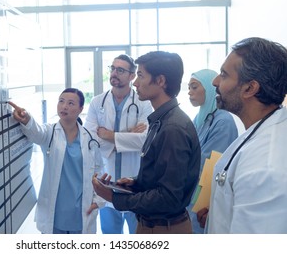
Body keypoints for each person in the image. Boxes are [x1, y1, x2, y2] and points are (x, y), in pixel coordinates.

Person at [92, 51, 201, 234]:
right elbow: (164, 178)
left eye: (140, 76)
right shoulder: (160, 121)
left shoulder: (173, 128)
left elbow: (168, 197)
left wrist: (113, 197)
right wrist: (137, 183)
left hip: (165, 229)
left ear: (160, 81)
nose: (135, 83)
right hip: (152, 224)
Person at [204, 37, 287, 233]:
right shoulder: (263, 128)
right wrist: (220, 213)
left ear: (250, 88)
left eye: (224, 75)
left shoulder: (265, 168)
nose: (215, 81)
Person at [8, 88, 105, 234]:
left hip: (81, 209)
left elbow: (99, 171)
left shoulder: (90, 139)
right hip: (55, 211)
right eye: (61, 101)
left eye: (71, 103)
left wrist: (97, 201)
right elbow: (36, 133)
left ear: (80, 109)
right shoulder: (50, 133)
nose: (64, 106)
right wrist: (26, 118)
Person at [84, 54, 153, 234]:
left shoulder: (144, 102)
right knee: (110, 234)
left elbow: (145, 140)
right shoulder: (97, 102)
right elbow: (89, 139)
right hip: (107, 179)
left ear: (132, 76)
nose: (114, 73)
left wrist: (109, 135)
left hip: (134, 181)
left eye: (120, 70)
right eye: (113, 68)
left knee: (137, 233)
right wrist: (127, 136)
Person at [186, 69, 238, 234]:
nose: (189, 92)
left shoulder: (223, 121)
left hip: (205, 195)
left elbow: (208, 162)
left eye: (194, 87)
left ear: (209, 88)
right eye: (189, 88)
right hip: (191, 190)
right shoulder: (199, 118)